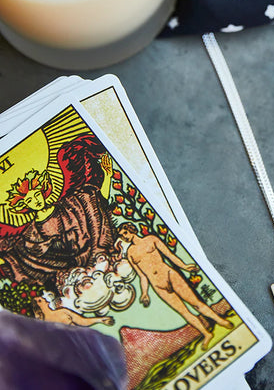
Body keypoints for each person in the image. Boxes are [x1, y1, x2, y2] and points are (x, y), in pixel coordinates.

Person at [0, 137, 117, 291]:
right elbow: (23, 260)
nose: (36, 201)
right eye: (30, 200)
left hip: (100, 262)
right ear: (24, 206)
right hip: (71, 282)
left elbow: (98, 203)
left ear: (44, 191)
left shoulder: (71, 204)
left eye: (37, 195)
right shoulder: (31, 235)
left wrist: (107, 176)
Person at [117, 222, 233, 350]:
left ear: (131, 229)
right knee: (184, 312)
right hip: (157, 285)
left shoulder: (151, 239)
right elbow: (142, 276)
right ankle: (206, 334)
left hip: (169, 275)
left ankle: (220, 320)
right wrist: (145, 293)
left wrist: (184, 267)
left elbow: (169, 255)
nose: (124, 237)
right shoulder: (130, 253)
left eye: (125, 233)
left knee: (195, 303)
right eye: (122, 236)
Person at [32, 295, 115, 328]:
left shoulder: (63, 311)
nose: (43, 298)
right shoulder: (44, 326)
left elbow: (82, 321)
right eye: (40, 300)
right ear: (38, 306)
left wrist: (100, 320)